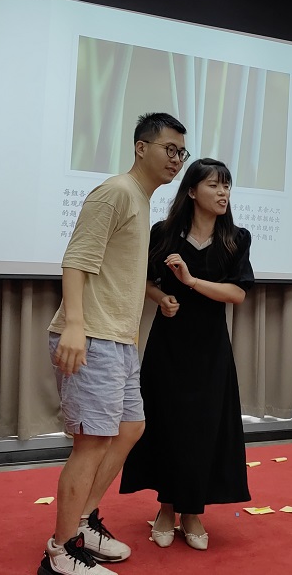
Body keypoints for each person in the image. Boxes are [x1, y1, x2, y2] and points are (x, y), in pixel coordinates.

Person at [39, 112, 189, 575]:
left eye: (181, 152)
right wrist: (75, 325)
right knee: (92, 443)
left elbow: (120, 271)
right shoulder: (116, 192)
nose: (176, 160)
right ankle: (60, 551)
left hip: (120, 339)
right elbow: (76, 260)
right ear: (141, 147)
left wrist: (158, 296)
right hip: (93, 335)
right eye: (169, 149)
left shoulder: (141, 200)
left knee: (130, 428)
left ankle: (82, 521)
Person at [119, 158, 255, 551]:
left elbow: (237, 294)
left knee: (203, 428)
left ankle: (192, 511)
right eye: (214, 185)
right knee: (166, 424)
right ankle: (166, 508)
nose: (223, 193)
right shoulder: (164, 233)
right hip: (169, 345)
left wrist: (191, 281)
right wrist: (162, 298)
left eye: (226, 185)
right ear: (192, 191)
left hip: (211, 349)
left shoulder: (236, 238)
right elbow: (144, 281)